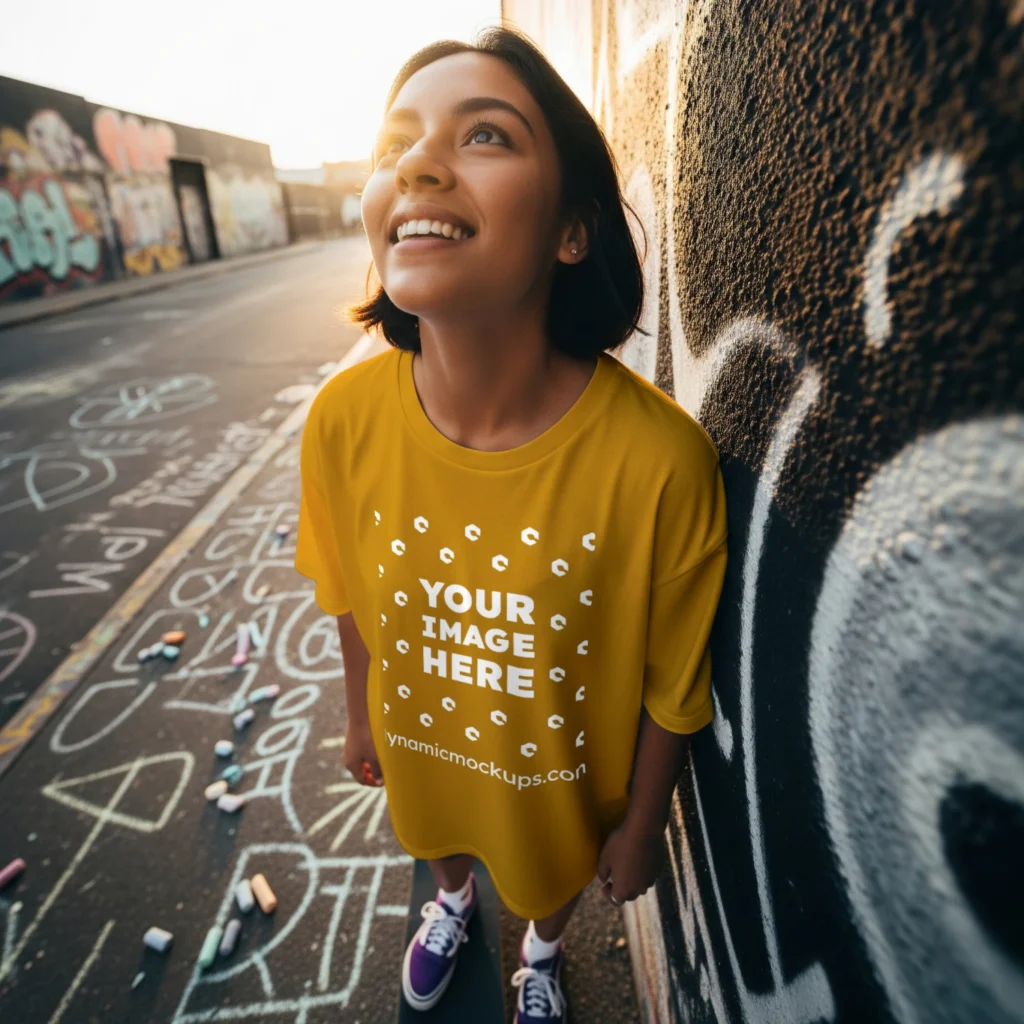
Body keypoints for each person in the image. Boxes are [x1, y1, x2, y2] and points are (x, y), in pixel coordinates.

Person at [294, 25, 727, 1023]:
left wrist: (643, 820)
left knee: (543, 884)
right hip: (422, 755)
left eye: (483, 135)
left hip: (560, 799)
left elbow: (673, 683)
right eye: (393, 144)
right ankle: (449, 906)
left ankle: (538, 952)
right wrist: (360, 712)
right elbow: (347, 591)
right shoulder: (342, 421)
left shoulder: (659, 461)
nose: (416, 164)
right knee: (443, 846)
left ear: (572, 230)